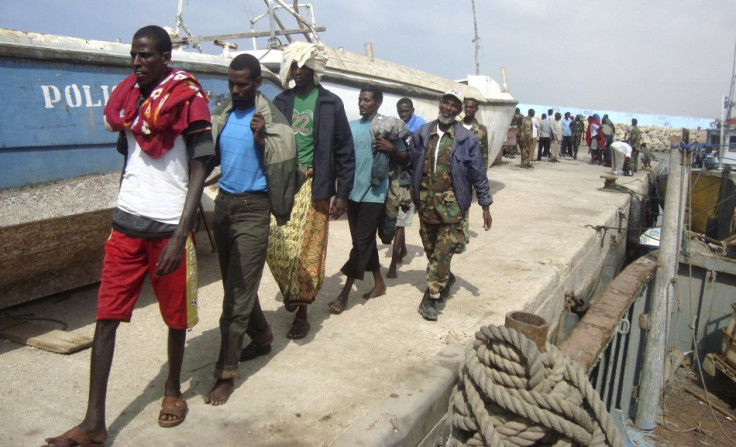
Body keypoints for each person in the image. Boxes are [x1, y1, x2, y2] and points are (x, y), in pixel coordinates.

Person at [43, 25, 215, 446]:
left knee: (175, 319)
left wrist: (181, 233)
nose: (137, 62)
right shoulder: (128, 99)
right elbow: (131, 159)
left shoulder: (189, 99)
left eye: (146, 56)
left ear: (166, 57)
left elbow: (201, 165)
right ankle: (93, 424)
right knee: (106, 320)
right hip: (126, 227)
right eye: (134, 55)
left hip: (168, 228)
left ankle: (173, 389)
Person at [204, 54, 298, 405]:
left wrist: (261, 140)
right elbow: (211, 152)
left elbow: (286, 159)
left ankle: (225, 374)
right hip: (224, 206)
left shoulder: (270, 119)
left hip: (254, 210)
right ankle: (261, 335)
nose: (235, 89)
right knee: (235, 285)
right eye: (231, 83)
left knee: (236, 297)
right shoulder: (224, 113)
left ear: (258, 83)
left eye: (242, 83)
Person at [268, 42, 355, 339]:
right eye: (294, 66)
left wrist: (342, 193)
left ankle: (302, 312)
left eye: (303, 66)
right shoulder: (280, 102)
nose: (298, 71)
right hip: (284, 184)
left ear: (314, 69)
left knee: (308, 249)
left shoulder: (330, 103)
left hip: (315, 184)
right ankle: (292, 290)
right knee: (276, 243)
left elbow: (344, 150)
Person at [409, 89, 493, 321]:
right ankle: (445, 276)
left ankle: (432, 296)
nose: (448, 108)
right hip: (426, 203)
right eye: (445, 103)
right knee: (431, 249)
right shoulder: (423, 132)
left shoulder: (467, 139)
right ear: (440, 104)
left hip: (452, 205)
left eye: (453, 105)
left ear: (459, 110)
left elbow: (479, 173)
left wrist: (485, 205)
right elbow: (411, 163)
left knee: (444, 251)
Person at [328, 86, 407, 314]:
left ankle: (344, 296)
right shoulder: (351, 127)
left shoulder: (386, 128)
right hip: (352, 194)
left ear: (379, 102)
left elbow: (405, 157)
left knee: (361, 244)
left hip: (375, 195)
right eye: (360, 100)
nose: (363, 103)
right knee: (364, 243)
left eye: (368, 100)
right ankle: (379, 283)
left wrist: (392, 149)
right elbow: (342, 159)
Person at [388, 98, 426, 278]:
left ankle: (394, 263)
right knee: (396, 221)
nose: (403, 114)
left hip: (410, 177)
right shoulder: (396, 125)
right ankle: (401, 250)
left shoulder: (421, 125)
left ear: (412, 109)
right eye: (400, 111)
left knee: (399, 222)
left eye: (406, 111)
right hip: (396, 175)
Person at [455, 97, 490, 254]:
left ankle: (461, 238)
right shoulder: (456, 126)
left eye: (471, 107)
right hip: (456, 171)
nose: (468, 110)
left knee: (465, 204)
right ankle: (456, 235)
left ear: (476, 109)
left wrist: (481, 178)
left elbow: (484, 155)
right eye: (466, 107)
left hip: (470, 174)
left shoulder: (481, 130)